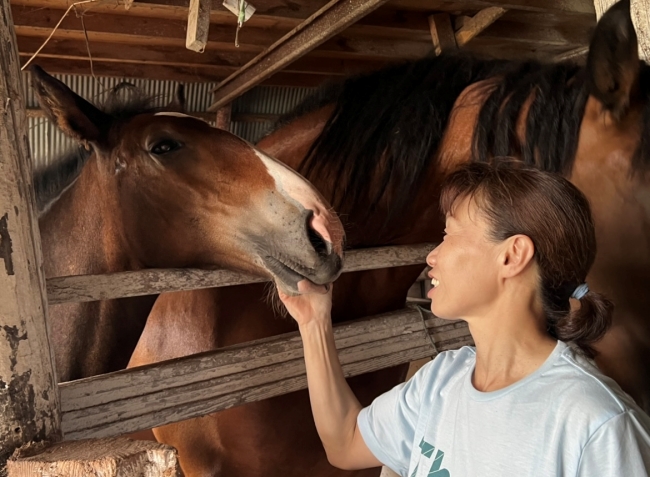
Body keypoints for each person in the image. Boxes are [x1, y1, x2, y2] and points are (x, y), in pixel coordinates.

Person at [278, 160, 650, 476]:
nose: (432, 257)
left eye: (449, 234)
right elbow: (345, 443)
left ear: (512, 255)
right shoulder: (441, 380)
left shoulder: (598, 424)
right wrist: (313, 324)